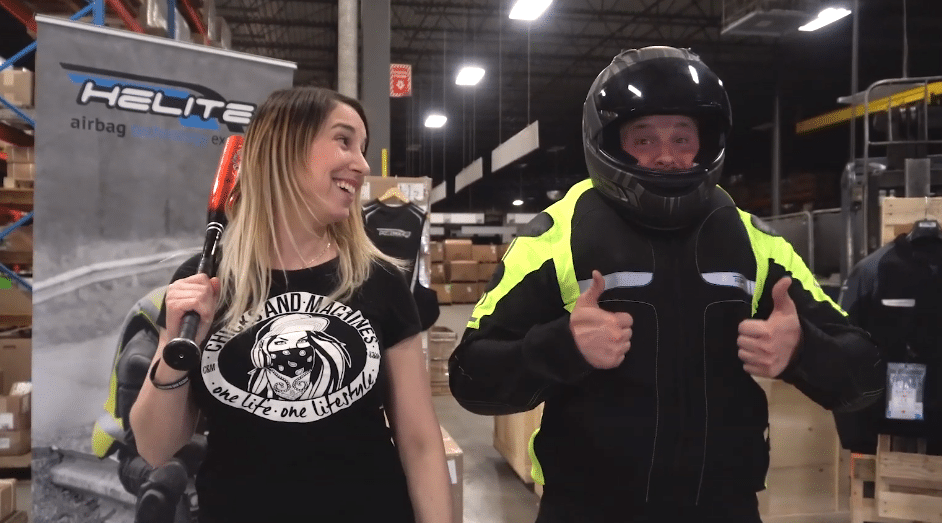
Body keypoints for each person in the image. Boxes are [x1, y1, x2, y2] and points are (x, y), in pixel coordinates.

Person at [448, 46, 885, 523]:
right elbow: (472, 378)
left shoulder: (754, 242)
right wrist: (562, 347)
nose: (666, 156)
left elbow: (865, 374)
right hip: (586, 509)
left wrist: (803, 350)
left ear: (705, 143)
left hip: (724, 510)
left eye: (682, 138)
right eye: (643, 139)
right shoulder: (555, 238)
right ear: (609, 143)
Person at [130, 86, 452, 523]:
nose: (362, 165)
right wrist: (174, 344)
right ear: (285, 148)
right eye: (344, 141)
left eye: (362, 147)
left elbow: (420, 441)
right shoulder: (205, 283)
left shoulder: (379, 280)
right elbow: (155, 447)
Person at [92, 286, 204, 523]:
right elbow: (147, 442)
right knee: (168, 476)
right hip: (138, 454)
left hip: (194, 442)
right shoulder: (141, 356)